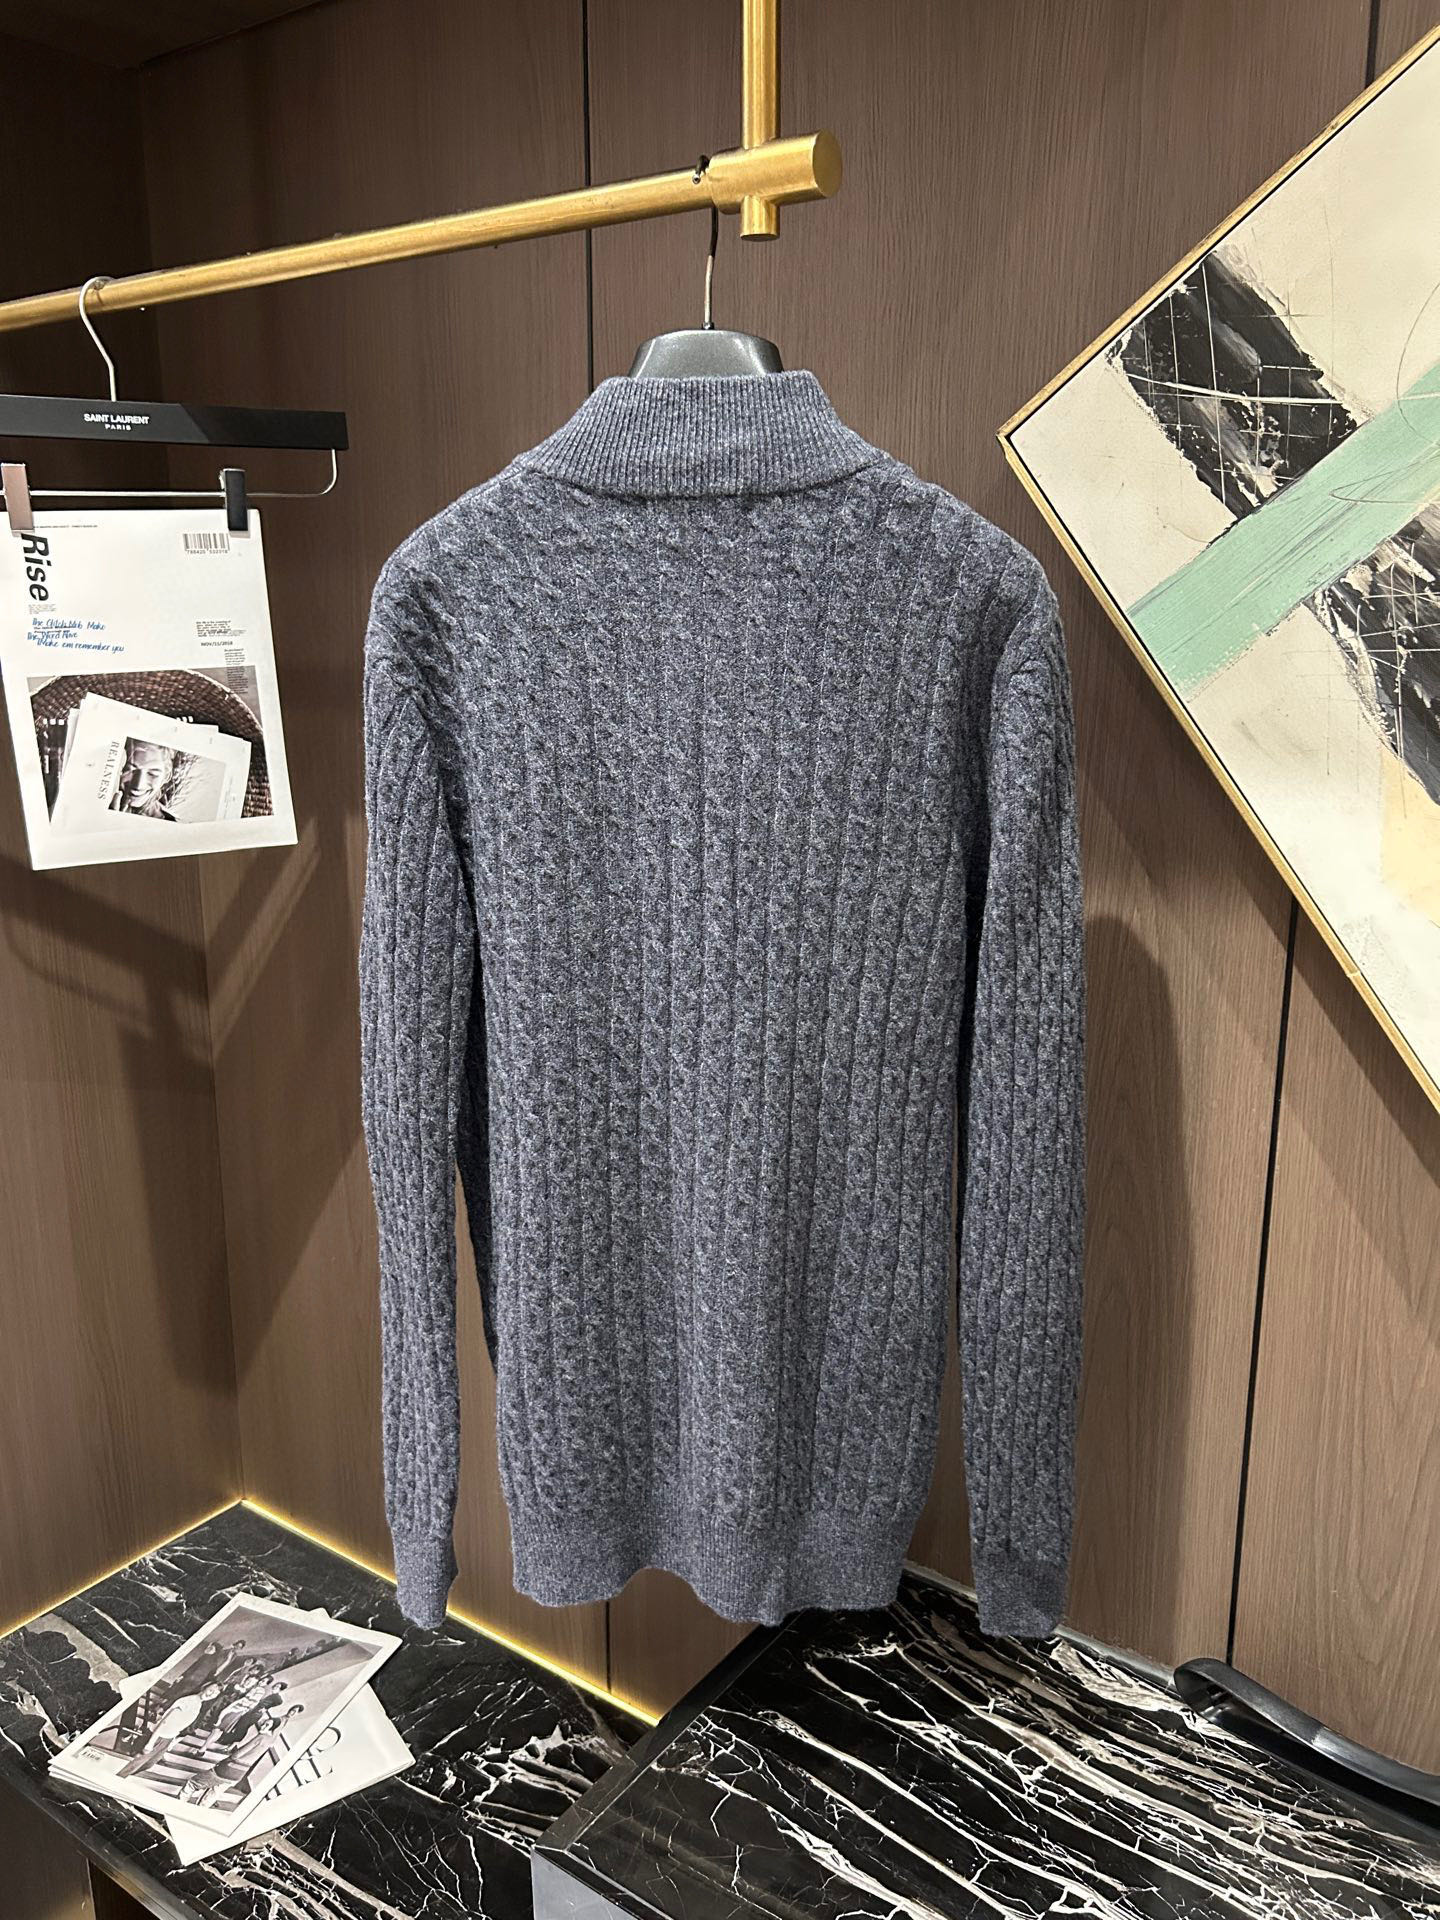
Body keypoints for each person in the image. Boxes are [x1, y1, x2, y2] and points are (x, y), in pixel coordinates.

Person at [114, 1687, 210, 1778]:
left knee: (148, 1764)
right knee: (136, 1764)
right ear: (204, 1688)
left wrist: (173, 1740)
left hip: (168, 1737)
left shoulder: (198, 1704)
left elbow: (181, 1725)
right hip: (159, 1734)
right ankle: (117, 1777)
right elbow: (164, 1722)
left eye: (215, 1693)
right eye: (211, 1690)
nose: (211, 1694)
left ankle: (120, 1776)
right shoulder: (190, 1700)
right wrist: (150, 1743)